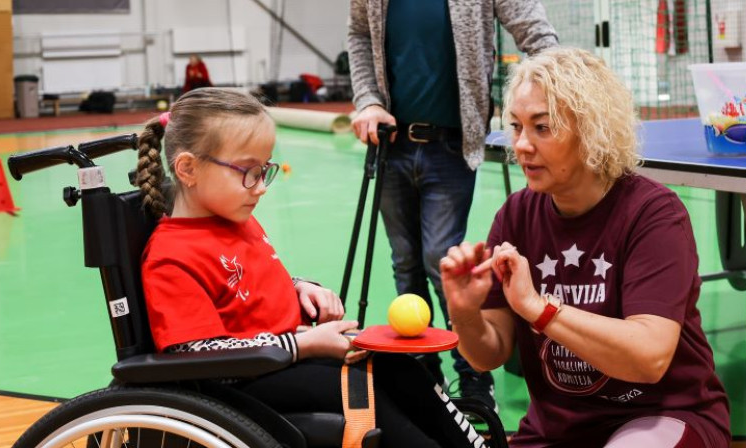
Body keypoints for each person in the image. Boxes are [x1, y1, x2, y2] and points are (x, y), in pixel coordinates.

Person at [135, 87, 489, 448]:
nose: (260, 187)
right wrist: (302, 345)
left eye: (264, 170)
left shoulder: (235, 219)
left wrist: (300, 287)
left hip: (285, 360)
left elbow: (244, 283)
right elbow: (196, 353)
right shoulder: (170, 257)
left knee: (403, 368)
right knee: (365, 393)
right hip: (244, 383)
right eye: (248, 172)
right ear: (188, 168)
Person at [439, 47, 731, 447]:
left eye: (542, 127)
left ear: (593, 130)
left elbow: (648, 358)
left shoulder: (654, 214)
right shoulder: (517, 214)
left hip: (662, 415)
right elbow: (489, 354)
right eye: (517, 127)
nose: (522, 145)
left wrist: (538, 309)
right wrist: (465, 313)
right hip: (560, 431)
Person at [347, 0, 558, 410]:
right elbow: (358, 35)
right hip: (391, 143)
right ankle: (422, 370)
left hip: (451, 145)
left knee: (439, 260)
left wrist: (551, 88)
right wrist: (368, 99)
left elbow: (537, 33)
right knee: (405, 261)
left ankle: (474, 375)